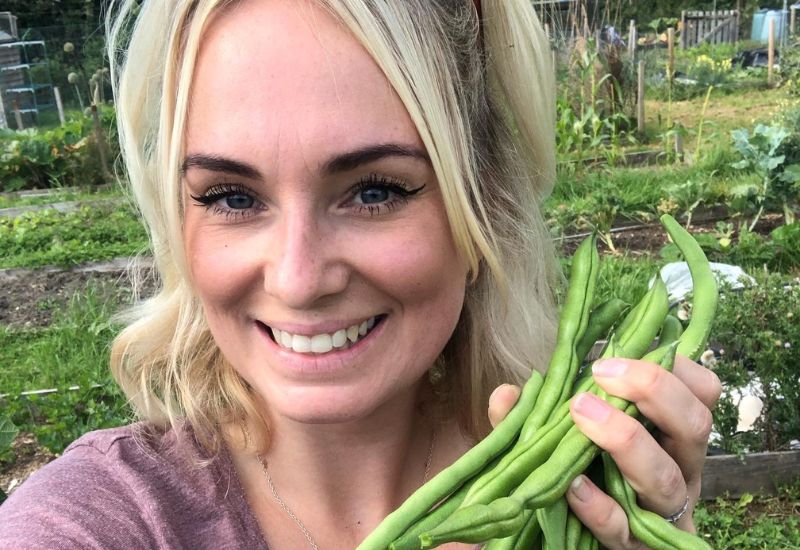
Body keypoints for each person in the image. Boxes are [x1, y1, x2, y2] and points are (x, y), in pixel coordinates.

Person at [0, 1, 721, 549]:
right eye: (231, 197)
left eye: (374, 189)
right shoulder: (94, 523)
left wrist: (660, 525)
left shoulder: (575, 493)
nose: (298, 277)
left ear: (483, 205)